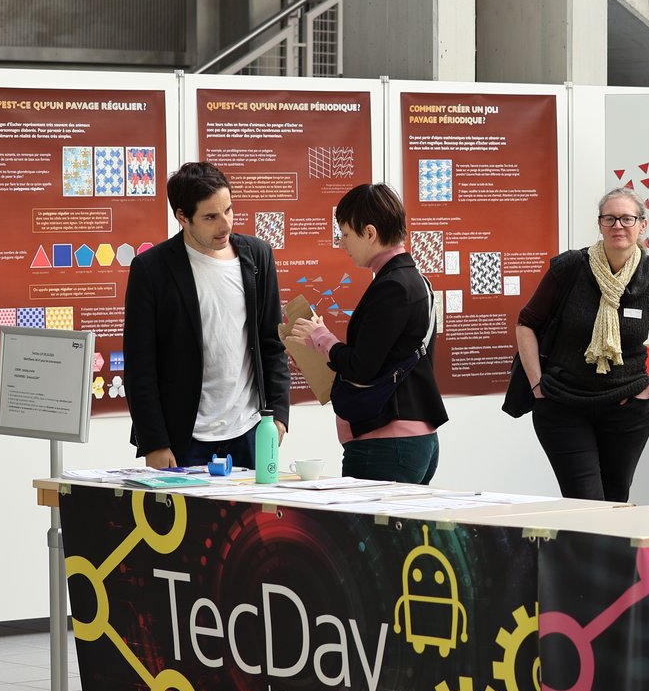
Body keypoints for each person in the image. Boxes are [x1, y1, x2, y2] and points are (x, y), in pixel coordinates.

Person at [514, 188, 649, 502]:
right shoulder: (570, 268)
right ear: (600, 224)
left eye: (627, 218)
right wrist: (536, 384)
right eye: (610, 218)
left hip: (626, 408)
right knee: (585, 501)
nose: (618, 225)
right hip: (563, 403)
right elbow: (527, 324)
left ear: (642, 225)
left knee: (615, 500)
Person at [123, 161, 290, 469]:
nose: (225, 225)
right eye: (211, 217)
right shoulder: (151, 269)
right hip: (183, 439)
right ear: (183, 218)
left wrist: (279, 414)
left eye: (228, 210)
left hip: (249, 431)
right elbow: (140, 365)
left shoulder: (258, 255)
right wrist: (154, 442)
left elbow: (271, 341)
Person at [293, 183, 446, 483]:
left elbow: (362, 367)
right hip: (413, 439)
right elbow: (386, 359)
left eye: (345, 235)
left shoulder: (392, 286)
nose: (342, 244)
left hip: (386, 443)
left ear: (370, 233)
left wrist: (322, 337)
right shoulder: (415, 280)